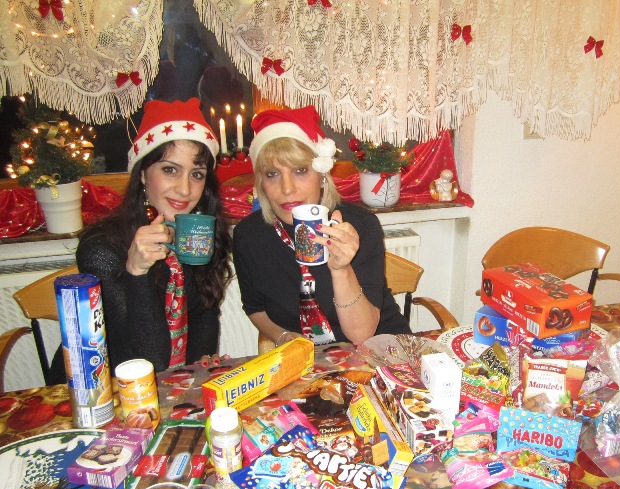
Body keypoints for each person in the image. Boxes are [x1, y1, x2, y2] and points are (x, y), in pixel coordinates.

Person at [49, 98, 232, 381]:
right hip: (99, 388)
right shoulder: (101, 249)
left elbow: (203, 313)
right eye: (170, 169)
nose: (185, 189)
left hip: (167, 388)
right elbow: (148, 360)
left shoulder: (195, 232)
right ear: (144, 174)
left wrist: (198, 372)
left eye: (197, 174)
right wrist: (137, 272)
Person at [233, 105, 410, 346]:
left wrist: (341, 269)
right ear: (260, 182)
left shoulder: (360, 225)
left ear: (322, 176)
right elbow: (255, 307)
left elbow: (362, 335)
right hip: (313, 360)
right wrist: (282, 335)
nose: (287, 189)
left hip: (380, 347)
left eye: (300, 170)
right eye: (272, 174)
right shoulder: (248, 236)